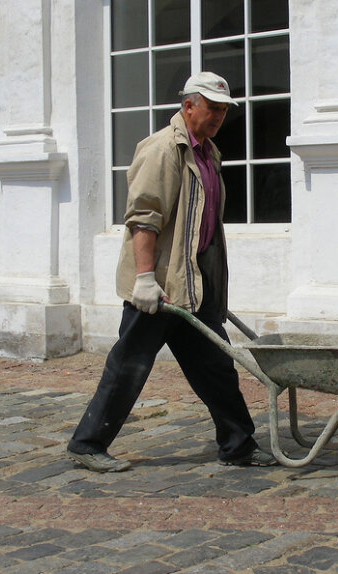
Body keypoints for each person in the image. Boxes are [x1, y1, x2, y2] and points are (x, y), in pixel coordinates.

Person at [66, 72, 276, 472]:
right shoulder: (164, 149)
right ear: (188, 106)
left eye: (223, 110)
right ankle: (87, 443)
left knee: (216, 369)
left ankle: (238, 445)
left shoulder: (208, 153)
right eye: (211, 108)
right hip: (160, 288)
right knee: (129, 365)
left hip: (195, 286)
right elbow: (143, 218)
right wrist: (144, 279)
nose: (217, 116)